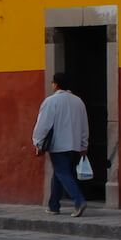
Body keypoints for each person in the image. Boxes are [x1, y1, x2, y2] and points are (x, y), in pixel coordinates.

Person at [31, 72, 91, 217]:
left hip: (58, 145)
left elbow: (43, 125)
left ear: (56, 84)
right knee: (59, 173)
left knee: (62, 173)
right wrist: (84, 145)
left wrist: (37, 142)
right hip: (75, 145)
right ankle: (53, 205)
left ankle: (79, 200)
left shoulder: (51, 101)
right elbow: (84, 126)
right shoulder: (79, 102)